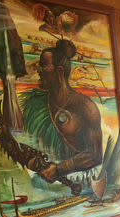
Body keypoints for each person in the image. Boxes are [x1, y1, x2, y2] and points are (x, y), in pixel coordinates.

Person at [22, 39, 103, 183]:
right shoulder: (36, 103)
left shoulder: (86, 108)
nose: (38, 70)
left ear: (59, 72)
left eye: (44, 66)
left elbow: (95, 155)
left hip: (77, 181)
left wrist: (59, 170)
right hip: (41, 180)